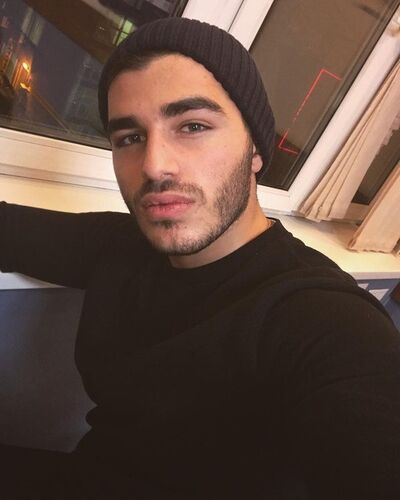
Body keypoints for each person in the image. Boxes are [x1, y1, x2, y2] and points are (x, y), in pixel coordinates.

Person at [0, 16, 400, 500]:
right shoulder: (124, 246)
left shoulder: (322, 318)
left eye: (193, 126)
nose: (154, 165)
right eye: (129, 138)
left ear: (256, 150)